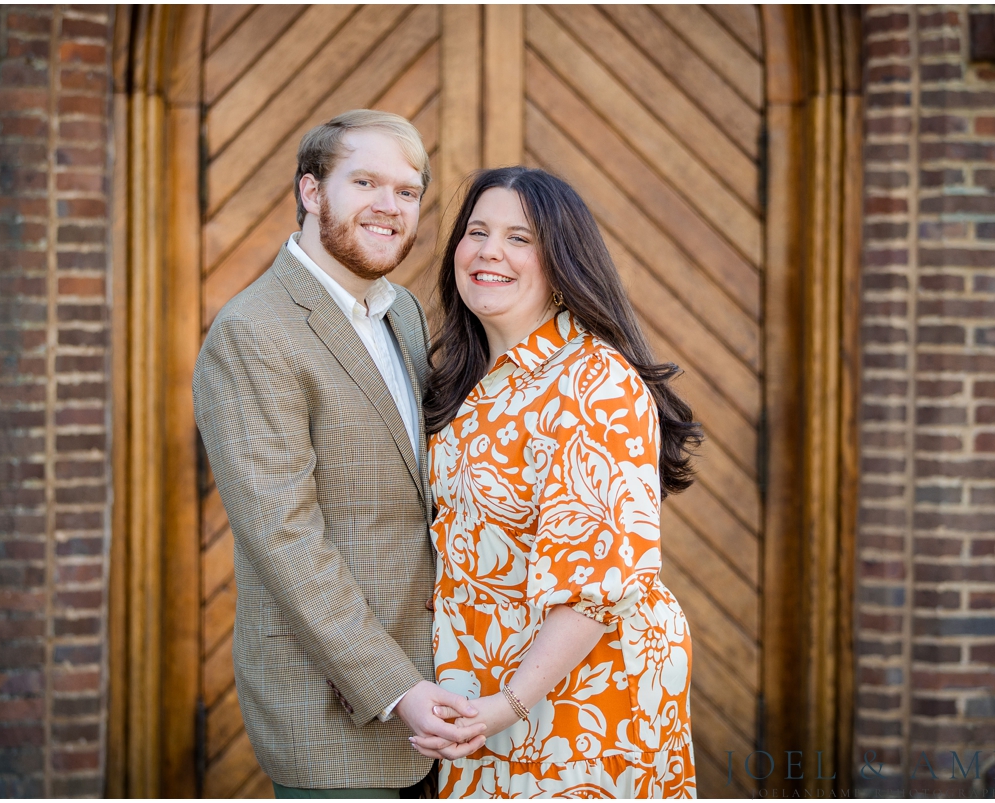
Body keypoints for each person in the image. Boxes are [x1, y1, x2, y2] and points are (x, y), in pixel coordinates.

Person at [192, 110, 486, 799]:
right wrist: (397, 688)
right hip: (334, 711)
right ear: (312, 191)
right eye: (365, 182)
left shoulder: (403, 312)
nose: (390, 206)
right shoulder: (253, 332)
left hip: (444, 698)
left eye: (407, 191)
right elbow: (286, 541)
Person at [416, 167, 703, 798]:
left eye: (520, 238)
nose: (490, 250)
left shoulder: (593, 382)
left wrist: (507, 706)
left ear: (562, 261)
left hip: (580, 692)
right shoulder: (463, 382)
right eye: (477, 231)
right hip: (483, 691)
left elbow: (595, 587)